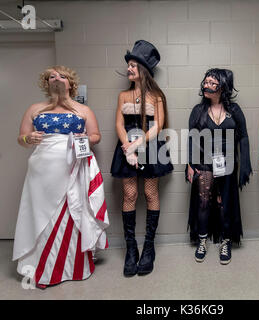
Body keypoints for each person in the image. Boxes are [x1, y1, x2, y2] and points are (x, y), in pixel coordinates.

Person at [13, 65, 109, 289]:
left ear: (71, 83)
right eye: (51, 76)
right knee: (41, 218)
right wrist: (28, 139)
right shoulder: (35, 109)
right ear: (47, 83)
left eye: (61, 75)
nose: (56, 78)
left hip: (73, 168)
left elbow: (97, 135)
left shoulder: (83, 110)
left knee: (72, 213)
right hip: (41, 171)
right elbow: (21, 137)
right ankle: (42, 273)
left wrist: (86, 137)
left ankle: (74, 268)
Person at [111, 40, 173, 276]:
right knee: (130, 194)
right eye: (128, 65)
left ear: (143, 70)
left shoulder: (156, 95)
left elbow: (158, 126)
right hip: (127, 148)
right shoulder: (123, 95)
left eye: (133, 65)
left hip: (150, 147)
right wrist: (127, 146)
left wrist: (139, 143)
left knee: (150, 193)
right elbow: (118, 123)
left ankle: (149, 248)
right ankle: (131, 250)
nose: (129, 69)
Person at [186, 68, 252, 265]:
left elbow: (244, 136)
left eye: (212, 83)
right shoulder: (198, 111)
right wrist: (189, 164)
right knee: (204, 202)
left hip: (228, 164)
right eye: (205, 82)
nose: (206, 85)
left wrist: (245, 165)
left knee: (224, 203)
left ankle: (226, 240)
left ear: (223, 87)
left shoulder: (235, 111)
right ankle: (203, 240)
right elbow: (191, 138)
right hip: (204, 163)